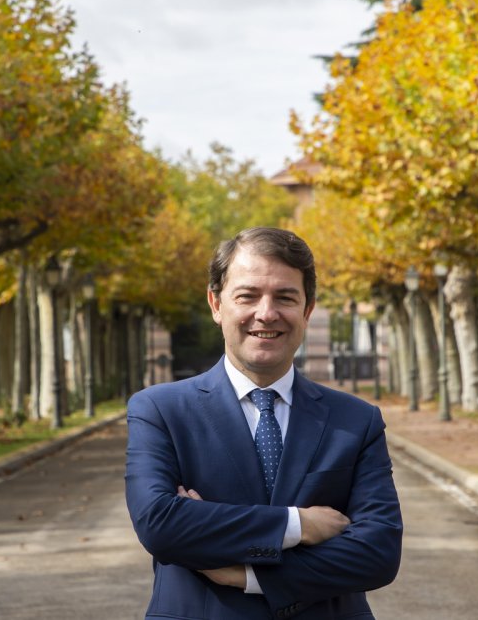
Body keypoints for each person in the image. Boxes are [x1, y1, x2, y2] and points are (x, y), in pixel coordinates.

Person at [125, 226, 403, 619]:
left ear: (307, 310)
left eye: (285, 297)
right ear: (216, 304)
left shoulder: (356, 421)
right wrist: (297, 524)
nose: (266, 313)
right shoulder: (160, 411)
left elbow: (378, 553)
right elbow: (161, 524)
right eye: (248, 296)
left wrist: (247, 575)